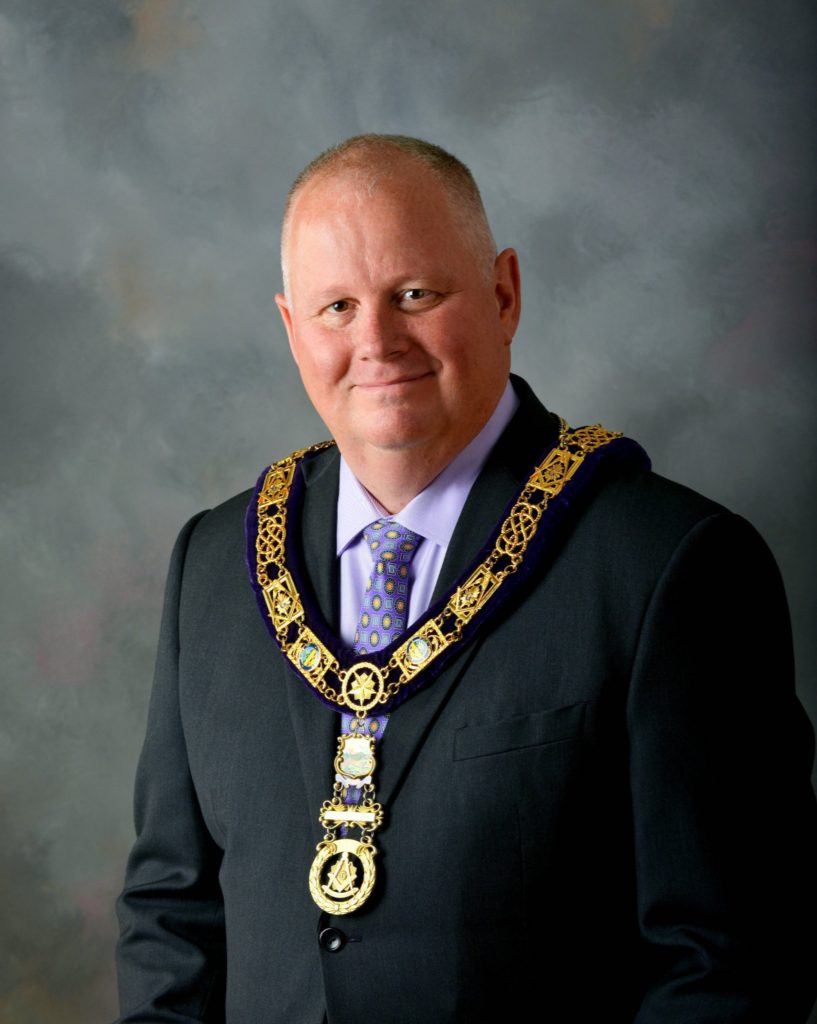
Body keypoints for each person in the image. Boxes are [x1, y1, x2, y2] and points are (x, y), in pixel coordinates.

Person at [115, 134, 817, 1023]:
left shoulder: (668, 566)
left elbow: (726, 970)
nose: (376, 341)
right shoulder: (213, 565)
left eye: (415, 294)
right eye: (336, 307)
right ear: (292, 330)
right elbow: (172, 922)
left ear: (503, 294)